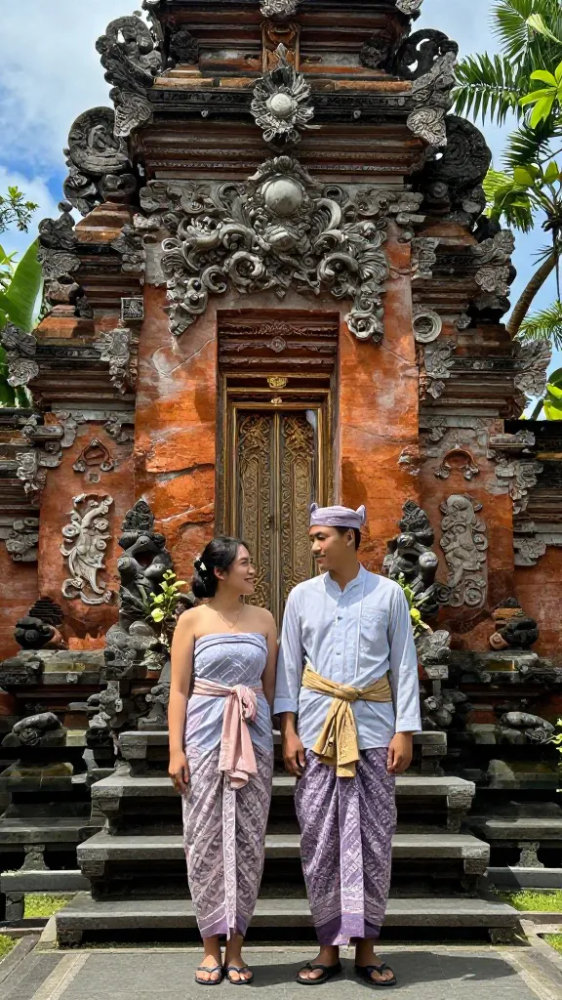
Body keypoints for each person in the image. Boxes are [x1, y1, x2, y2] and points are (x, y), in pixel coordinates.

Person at [274, 504, 421, 988]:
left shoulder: (388, 594)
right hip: (317, 734)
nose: (315, 547)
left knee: (374, 842)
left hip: (374, 733)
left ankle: (367, 949)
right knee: (320, 842)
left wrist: (405, 730)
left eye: (322, 537)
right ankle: (326, 948)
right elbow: (289, 667)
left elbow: (403, 664)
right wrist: (288, 730)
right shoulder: (301, 596)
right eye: (312, 538)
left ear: (351, 538)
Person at [169, 536, 277, 986]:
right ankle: (210, 948)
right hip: (203, 738)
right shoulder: (191, 619)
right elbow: (179, 690)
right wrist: (175, 749)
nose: (252, 570)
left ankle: (237, 950)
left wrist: (278, 732)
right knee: (203, 841)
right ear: (219, 572)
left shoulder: (265, 619)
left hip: (253, 739)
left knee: (249, 841)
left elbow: (270, 688)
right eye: (244, 563)